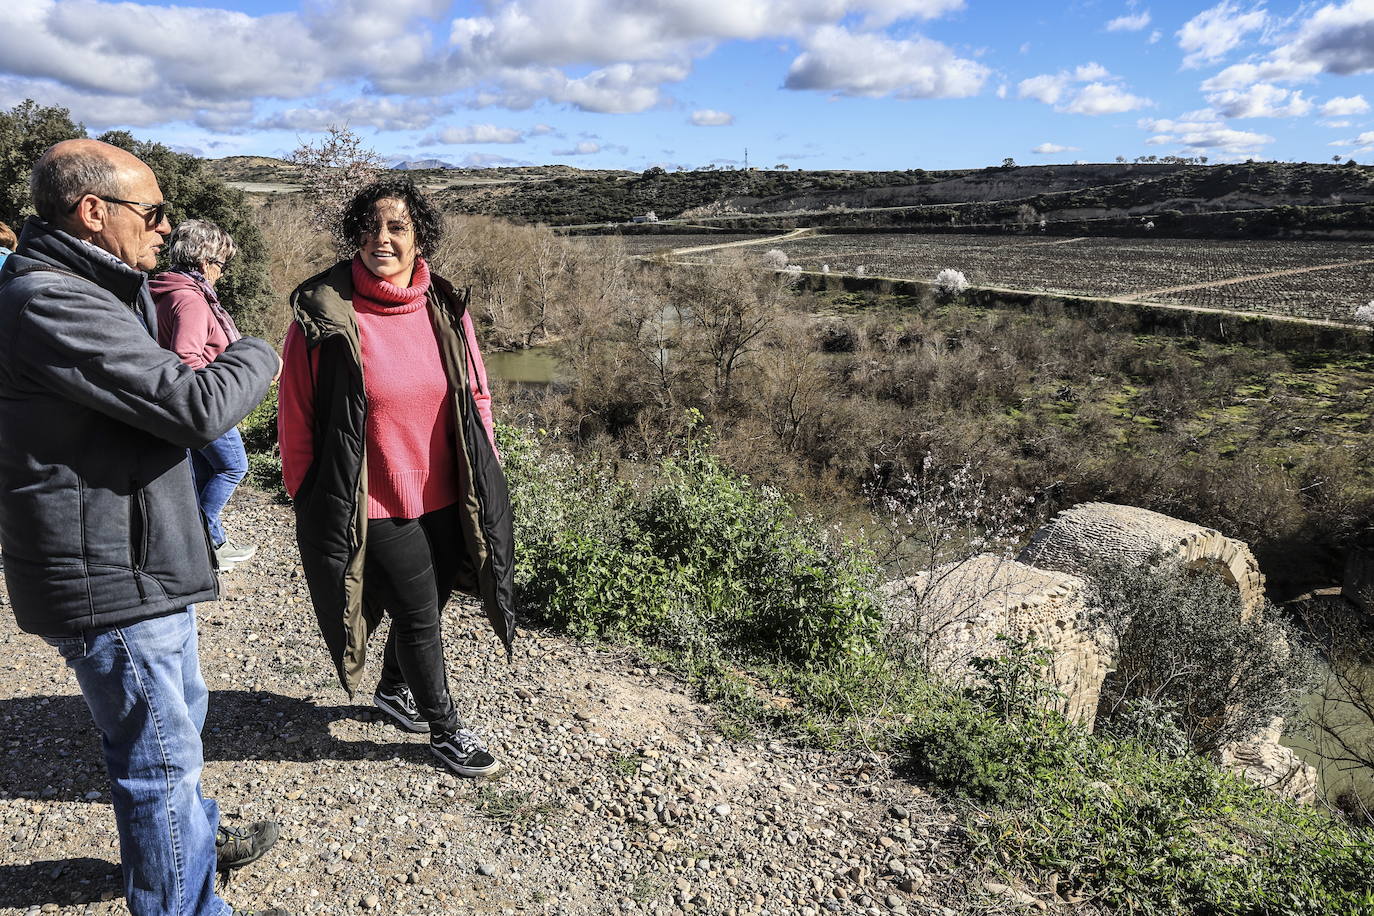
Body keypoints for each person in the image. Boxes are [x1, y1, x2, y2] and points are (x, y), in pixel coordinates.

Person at [0, 139, 287, 916]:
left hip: (133, 560)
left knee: (172, 737)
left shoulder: (90, 286)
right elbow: (195, 407)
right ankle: (183, 904)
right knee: (159, 762)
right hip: (111, 576)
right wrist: (263, 348)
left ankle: (188, 845)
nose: (164, 229)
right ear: (93, 212)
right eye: (152, 213)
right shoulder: (53, 300)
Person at [278, 178, 515, 779]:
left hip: (443, 491)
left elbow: (476, 393)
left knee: (433, 596)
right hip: (372, 497)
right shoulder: (324, 310)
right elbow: (295, 413)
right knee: (419, 614)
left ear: (419, 239)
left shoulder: (443, 304)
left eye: (397, 227)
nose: (380, 238)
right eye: (370, 226)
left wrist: (485, 462)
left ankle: (392, 689)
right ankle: (444, 730)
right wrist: (306, 492)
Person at [150, 219, 257, 570]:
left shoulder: (162, 291)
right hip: (203, 404)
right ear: (204, 261)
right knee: (233, 466)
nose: (221, 275)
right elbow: (187, 358)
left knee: (200, 472)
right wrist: (224, 383)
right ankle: (206, 542)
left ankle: (202, 543)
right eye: (221, 265)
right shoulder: (191, 300)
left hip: (176, 404)